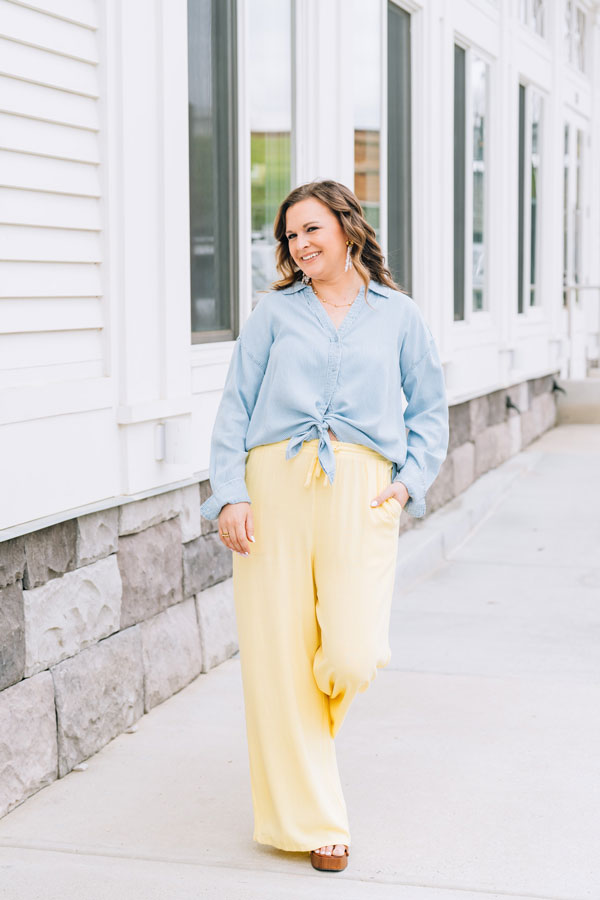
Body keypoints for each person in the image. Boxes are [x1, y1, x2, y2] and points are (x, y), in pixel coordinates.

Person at [199, 179, 449, 872]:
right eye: (290, 235)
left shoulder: (399, 315)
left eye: (311, 229)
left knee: (353, 652)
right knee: (278, 659)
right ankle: (315, 820)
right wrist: (230, 495)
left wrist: (408, 482)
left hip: (362, 488)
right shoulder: (274, 313)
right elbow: (235, 405)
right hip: (273, 483)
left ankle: (303, 739)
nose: (300, 244)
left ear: (346, 226)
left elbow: (430, 408)